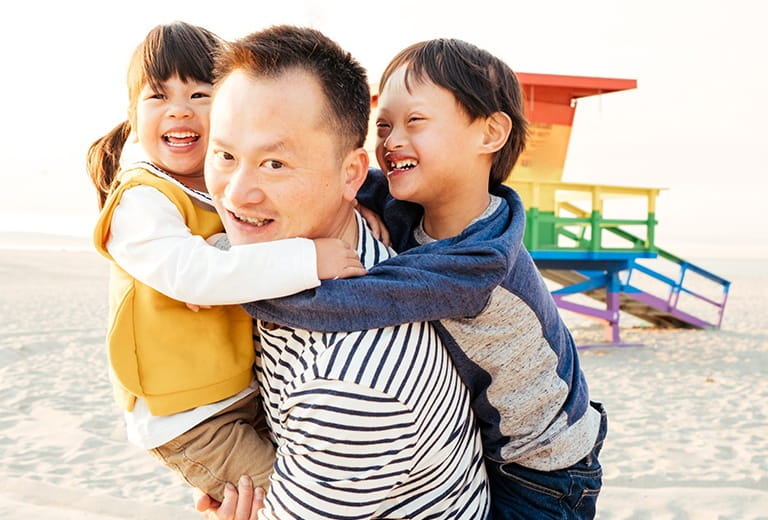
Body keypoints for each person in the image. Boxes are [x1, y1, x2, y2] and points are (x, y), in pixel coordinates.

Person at [248, 38, 608, 519]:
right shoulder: (414, 206)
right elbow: (341, 180)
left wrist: (241, 288)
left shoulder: (477, 262)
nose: (390, 141)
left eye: (415, 121)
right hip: (489, 440)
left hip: (544, 468)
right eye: (383, 125)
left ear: (490, 133)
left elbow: (354, 304)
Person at [196, 25, 490, 519]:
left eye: (274, 164)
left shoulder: (351, 386)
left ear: (353, 174)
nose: (236, 193)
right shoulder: (296, 255)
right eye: (225, 155)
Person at [86, 21, 366, 503]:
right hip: (191, 417)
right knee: (285, 502)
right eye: (158, 96)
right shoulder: (140, 199)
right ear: (132, 115)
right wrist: (309, 257)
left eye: (200, 94)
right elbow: (195, 276)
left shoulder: (220, 187)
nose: (180, 109)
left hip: (240, 391)